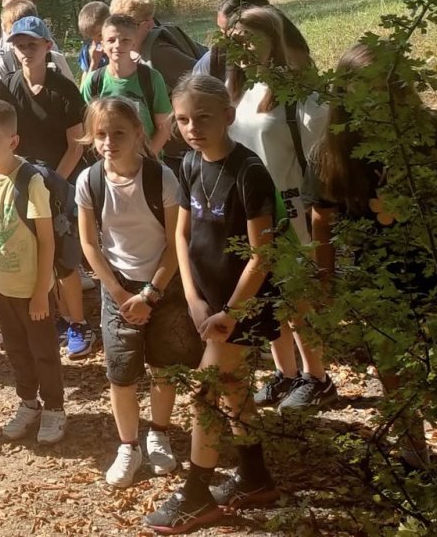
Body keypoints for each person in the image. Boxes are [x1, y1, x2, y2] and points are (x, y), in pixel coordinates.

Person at [304, 42, 437, 469]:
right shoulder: (333, 153)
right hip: (379, 279)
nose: (380, 101)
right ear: (346, 96)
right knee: (393, 365)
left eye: (390, 88)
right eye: (367, 92)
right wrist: (325, 281)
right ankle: (413, 454)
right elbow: (321, 221)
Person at [143, 75, 282, 534]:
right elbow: (181, 235)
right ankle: (255, 477)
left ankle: (197, 496)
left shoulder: (249, 172)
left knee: (205, 392)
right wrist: (192, 298)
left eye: (202, 118)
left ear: (228, 116)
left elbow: (262, 255)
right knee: (233, 387)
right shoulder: (188, 164)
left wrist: (231, 313)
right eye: (183, 120)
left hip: (244, 305)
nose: (192, 128)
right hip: (206, 304)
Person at [76, 98, 204, 489]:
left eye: (118, 133)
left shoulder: (161, 178)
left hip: (163, 284)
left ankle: (159, 433)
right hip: (117, 288)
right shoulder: (89, 182)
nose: (109, 142)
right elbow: (89, 245)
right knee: (121, 372)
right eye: (101, 134)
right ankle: (128, 446)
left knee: (163, 366)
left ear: (137, 133)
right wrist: (116, 291)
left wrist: (151, 293)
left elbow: (175, 241)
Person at [223, 6, 333, 411]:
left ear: (275, 40)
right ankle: (285, 374)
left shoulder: (304, 99)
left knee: (297, 300)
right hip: (254, 212)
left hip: (293, 215)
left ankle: (318, 378)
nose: (242, 51)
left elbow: (321, 165)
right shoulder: (243, 90)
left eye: (250, 41)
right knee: (269, 297)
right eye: (235, 43)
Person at [0, 16, 95, 360]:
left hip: (58, 183)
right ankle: (56, 319)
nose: (25, 51)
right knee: (35, 254)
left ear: (48, 46)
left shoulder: (63, 88)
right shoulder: (8, 86)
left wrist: (52, 183)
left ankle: (79, 324)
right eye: (19, 45)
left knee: (63, 258)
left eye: (32, 44)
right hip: (22, 182)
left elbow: (76, 144)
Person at [0, 99, 66, 445]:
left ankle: (54, 408)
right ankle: (28, 403)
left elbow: (47, 241)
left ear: (13, 141)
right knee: (15, 349)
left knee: (43, 351)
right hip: (2, 285)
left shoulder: (29, 180)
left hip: (33, 287)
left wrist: (40, 293)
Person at [82, 14, 173, 158]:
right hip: (110, 163)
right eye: (111, 40)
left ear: (134, 42)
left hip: (147, 160)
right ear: (102, 44)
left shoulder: (151, 78)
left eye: (125, 40)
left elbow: (164, 127)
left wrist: (146, 158)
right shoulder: (94, 82)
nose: (117, 45)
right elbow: (88, 128)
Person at [110, 0, 197, 91]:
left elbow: (201, 79)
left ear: (149, 24)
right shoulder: (120, 51)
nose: (122, 32)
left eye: (130, 26)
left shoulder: (159, 52)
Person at [78, 1, 110, 75]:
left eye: (100, 35)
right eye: (91, 37)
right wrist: (94, 63)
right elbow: (85, 82)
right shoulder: (87, 52)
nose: (96, 41)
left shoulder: (121, 48)